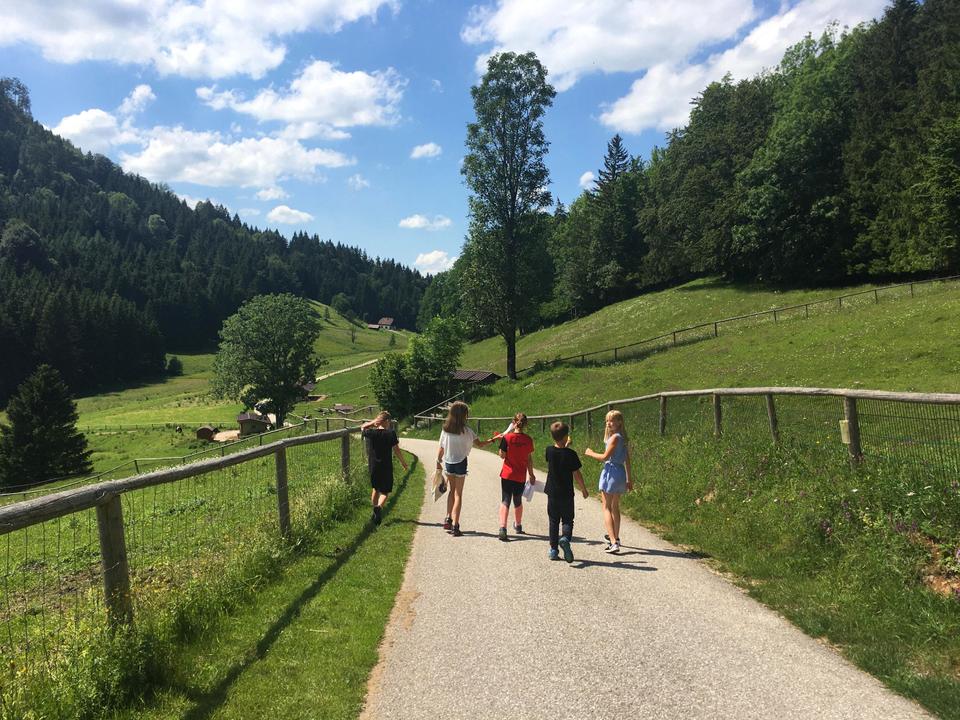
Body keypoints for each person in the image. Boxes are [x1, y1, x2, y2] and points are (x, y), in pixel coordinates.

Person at [437, 401, 492, 536]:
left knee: (451, 491)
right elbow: (480, 444)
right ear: (463, 415)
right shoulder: (467, 431)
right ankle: (455, 525)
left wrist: (438, 461)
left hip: (449, 463)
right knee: (458, 494)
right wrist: (492, 439)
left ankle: (448, 518)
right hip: (461, 463)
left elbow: (441, 448)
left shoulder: (445, 430)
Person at [584, 409, 632, 553]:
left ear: (619, 422)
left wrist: (590, 453)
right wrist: (629, 479)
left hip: (611, 472)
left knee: (606, 507)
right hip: (620, 473)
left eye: (612, 421)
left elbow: (605, 457)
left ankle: (613, 542)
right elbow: (627, 460)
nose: (608, 423)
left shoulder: (615, 438)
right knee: (615, 507)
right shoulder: (622, 438)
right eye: (607, 421)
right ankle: (615, 537)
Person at [544, 421, 588, 562]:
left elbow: (559, 454)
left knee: (553, 521)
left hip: (552, 493)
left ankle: (553, 550)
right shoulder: (571, 454)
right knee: (567, 520)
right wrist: (583, 489)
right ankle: (565, 538)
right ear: (565, 436)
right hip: (567, 494)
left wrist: (564, 444)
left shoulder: (549, 451)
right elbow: (576, 473)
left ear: (553, 436)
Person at [361, 411, 408, 526]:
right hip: (386, 466)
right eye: (389, 421)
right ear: (386, 421)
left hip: (374, 466)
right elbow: (396, 450)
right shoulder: (391, 433)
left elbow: (362, 427)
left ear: (378, 421)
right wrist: (403, 463)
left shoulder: (372, 433)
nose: (389, 423)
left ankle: (374, 511)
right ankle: (378, 508)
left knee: (375, 489)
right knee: (385, 492)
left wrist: (372, 422)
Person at [497, 413, 535, 541]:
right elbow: (529, 459)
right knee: (517, 500)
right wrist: (531, 474)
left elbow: (502, 455)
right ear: (526, 424)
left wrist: (502, 446)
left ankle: (503, 528)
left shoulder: (507, 437)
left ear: (513, 423)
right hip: (520, 475)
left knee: (505, 500)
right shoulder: (528, 440)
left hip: (507, 474)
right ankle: (518, 525)